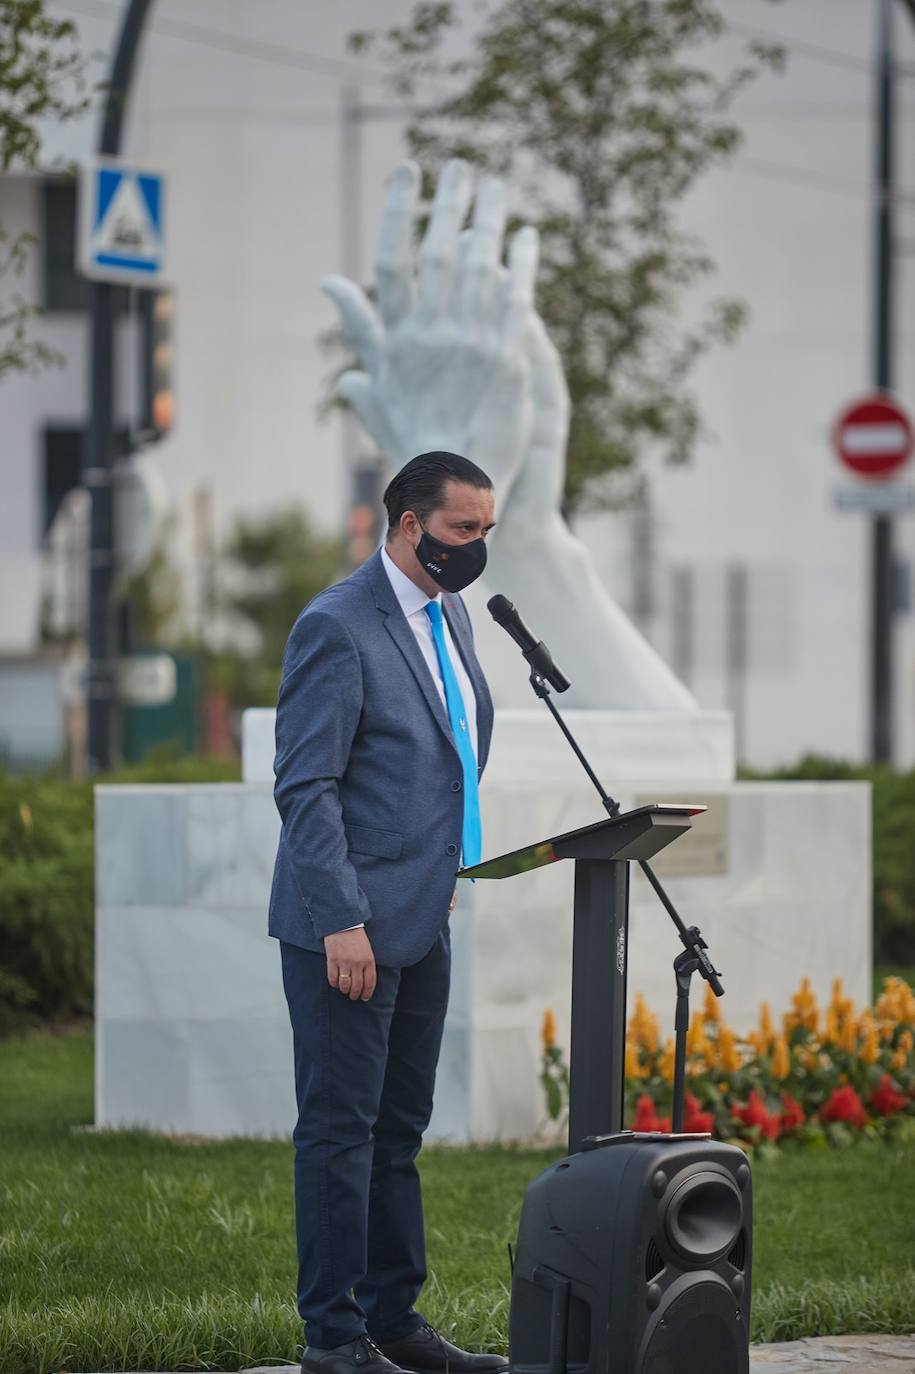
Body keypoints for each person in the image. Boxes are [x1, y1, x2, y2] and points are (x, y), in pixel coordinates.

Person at [270, 451, 507, 1374]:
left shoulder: (450, 614)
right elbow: (307, 785)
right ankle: (332, 1338)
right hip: (348, 928)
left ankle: (395, 1321)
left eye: (487, 530)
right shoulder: (336, 625)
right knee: (339, 1133)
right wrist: (341, 919)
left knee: (399, 1129)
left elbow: (455, 746)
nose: (477, 547)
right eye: (462, 530)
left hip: (422, 911)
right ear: (409, 524)